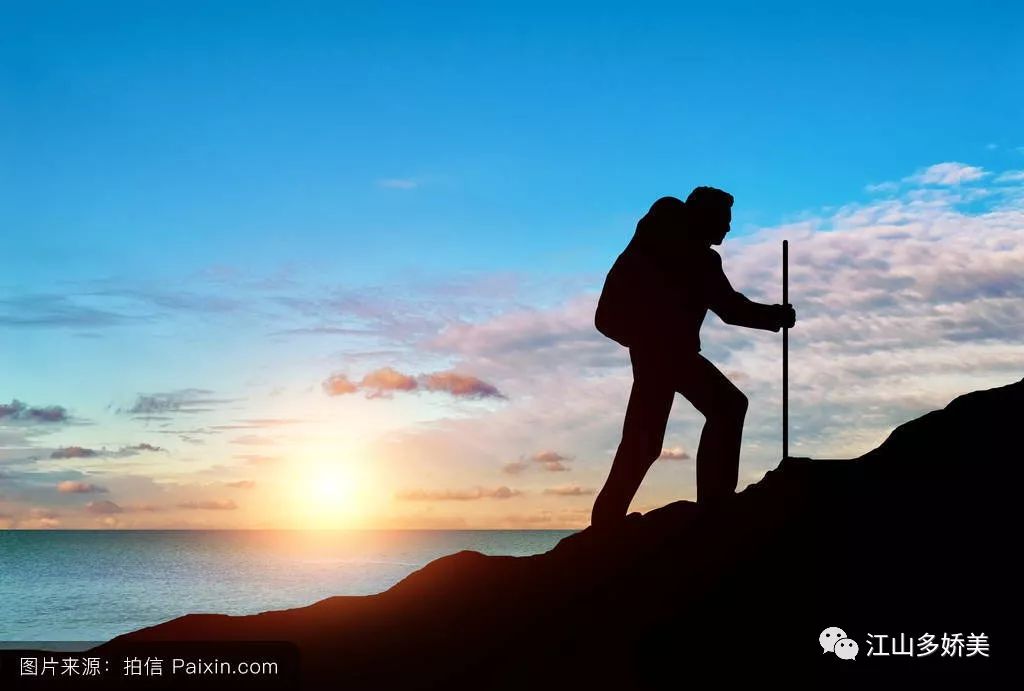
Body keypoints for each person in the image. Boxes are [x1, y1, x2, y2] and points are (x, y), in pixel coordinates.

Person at [591, 187, 795, 528]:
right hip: (663, 351)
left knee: (647, 438)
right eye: (725, 221)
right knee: (724, 408)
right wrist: (776, 316)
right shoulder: (682, 246)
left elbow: (729, 306)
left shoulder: (686, 249)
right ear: (706, 216)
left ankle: (609, 520)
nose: (728, 229)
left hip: (662, 351)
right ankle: (713, 503)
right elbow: (730, 308)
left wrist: (773, 316)